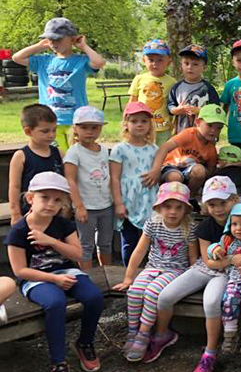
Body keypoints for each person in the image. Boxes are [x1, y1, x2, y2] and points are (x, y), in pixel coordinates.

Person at [5, 172, 104, 372]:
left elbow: (78, 254)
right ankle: (58, 362)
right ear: (30, 198)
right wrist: (54, 279)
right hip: (36, 279)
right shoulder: (19, 231)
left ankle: (85, 342)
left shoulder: (62, 225)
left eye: (57, 200)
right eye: (45, 197)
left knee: (94, 298)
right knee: (55, 303)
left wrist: (50, 241)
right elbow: (20, 270)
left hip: (66, 271)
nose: (51, 204)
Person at [152, 177, 241, 372]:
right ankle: (161, 335)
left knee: (210, 302)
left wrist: (230, 262)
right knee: (165, 296)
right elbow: (208, 262)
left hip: (226, 275)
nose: (218, 209)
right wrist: (231, 259)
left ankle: (210, 352)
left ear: (235, 200)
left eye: (223, 202)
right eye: (212, 204)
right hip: (208, 267)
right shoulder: (205, 227)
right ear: (205, 206)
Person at [113, 182, 197, 362]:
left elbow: (193, 258)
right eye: (167, 206)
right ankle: (132, 332)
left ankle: (144, 335)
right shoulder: (153, 223)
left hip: (175, 270)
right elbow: (139, 250)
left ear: (185, 210)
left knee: (152, 293)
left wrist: (192, 282)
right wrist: (129, 277)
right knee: (135, 291)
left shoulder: (188, 228)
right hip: (152, 267)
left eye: (178, 207)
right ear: (159, 207)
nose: (172, 212)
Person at [12, 17, 105, 153]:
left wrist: (83, 46)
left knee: (76, 156)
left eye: (58, 39)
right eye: (50, 39)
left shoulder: (81, 61)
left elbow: (99, 62)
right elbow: (17, 58)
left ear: (72, 39)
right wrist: (39, 46)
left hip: (75, 120)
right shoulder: (43, 61)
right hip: (49, 121)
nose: (53, 43)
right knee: (54, 156)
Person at [109, 102, 159, 266]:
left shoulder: (153, 149)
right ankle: (127, 274)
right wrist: (118, 203)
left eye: (144, 121)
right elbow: (114, 177)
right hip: (128, 200)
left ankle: (147, 272)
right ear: (126, 124)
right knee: (129, 240)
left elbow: (157, 172)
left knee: (151, 240)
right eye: (134, 121)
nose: (139, 124)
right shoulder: (120, 149)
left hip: (149, 200)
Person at [63, 106, 113, 271]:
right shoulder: (74, 152)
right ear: (75, 128)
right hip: (86, 207)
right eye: (84, 127)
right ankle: (89, 276)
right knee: (86, 245)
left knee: (105, 243)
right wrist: (79, 206)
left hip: (106, 205)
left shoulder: (104, 150)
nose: (89, 132)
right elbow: (70, 179)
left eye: (94, 127)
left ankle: (107, 272)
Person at [207, 203, 241, 354]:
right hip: (235, 281)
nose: (238, 228)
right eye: (234, 224)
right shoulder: (228, 241)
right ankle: (230, 334)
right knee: (229, 299)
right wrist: (215, 250)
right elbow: (212, 250)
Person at [143, 104, 225, 197]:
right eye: (209, 125)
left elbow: (210, 171)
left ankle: (189, 197)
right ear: (198, 122)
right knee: (175, 177)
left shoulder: (211, 149)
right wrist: (156, 169)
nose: (214, 130)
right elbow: (164, 148)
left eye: (219, 128)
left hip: (190, 173)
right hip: (172, 166)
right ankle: (168, 195)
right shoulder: (188, 134)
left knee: (200, 171)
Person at [9, 104, 63, 225]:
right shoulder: (21, 156)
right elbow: (14, 186)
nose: (51, 135)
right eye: (45, 131)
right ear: (28, 131)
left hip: (55, 211)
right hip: (30, 213)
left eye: (54, 130)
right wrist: (15, 213)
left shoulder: (58, 153)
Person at [128, 39, 176, 147]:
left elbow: (173, 104)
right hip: (142, 127)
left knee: (162, 154)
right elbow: (132, 103)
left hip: (163, 127)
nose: (155, 64)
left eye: (160, 60)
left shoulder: (172, 82)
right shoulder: (139, 79)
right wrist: (127, 121)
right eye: (151, 60)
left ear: (169, 61)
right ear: (144, 60)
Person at [168, 44, 220, 134]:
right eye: (186, 63)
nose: (190, 67)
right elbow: (170, 106)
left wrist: (200, 111)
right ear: (181, 65)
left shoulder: (208, 88)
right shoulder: (176, 87)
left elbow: (216, 110)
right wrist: (176, 110)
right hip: (181, 133)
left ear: (204, 67)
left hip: (203, 134)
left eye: (195, 64)